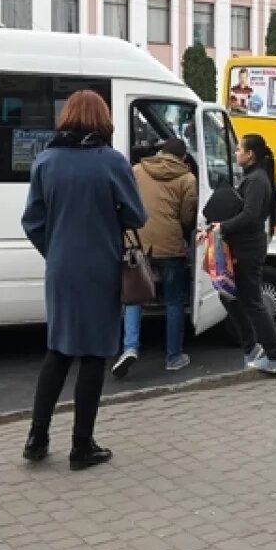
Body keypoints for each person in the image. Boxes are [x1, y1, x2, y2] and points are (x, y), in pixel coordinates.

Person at [21, 91, 147, 469]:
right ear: (102, 120)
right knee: (94, 354)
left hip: (61, 268)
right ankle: (81, 445)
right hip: (100, 267)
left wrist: (56, 250)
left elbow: (32, 222)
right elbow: (136, 216)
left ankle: (36, 438)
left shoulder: (45, 161)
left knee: (58, 350)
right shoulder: (111, 162)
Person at [114, 138, 198, 378]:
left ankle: (130, 348)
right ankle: (173, 357)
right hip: (170, 244)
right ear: (183, 158)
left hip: (138, 241)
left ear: (160, 151)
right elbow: (187, 217)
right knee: (173, 301)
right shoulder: (188, 178)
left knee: (134, 295)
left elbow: (126, 203)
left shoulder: (138, 170)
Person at [203, 133, 276, 374]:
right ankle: (252, 349)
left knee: (252, 302)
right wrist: (211, 228)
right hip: (240, 246)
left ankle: (274, 357)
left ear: (250, 155)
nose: (235, 153)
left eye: (239, 149)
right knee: (229, 295)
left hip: (248, 249)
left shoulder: (257, 180)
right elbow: (236, 210)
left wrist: (223, 227)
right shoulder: (251, 177)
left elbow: (249, 215)